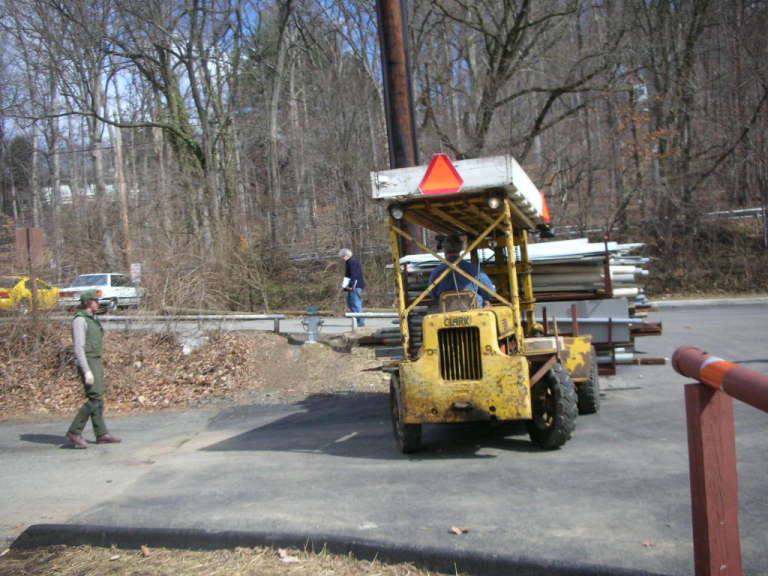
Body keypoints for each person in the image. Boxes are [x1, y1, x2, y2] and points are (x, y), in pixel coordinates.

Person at [65, 290, 121, 448]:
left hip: (95, 360)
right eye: (95, 300)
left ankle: (101, 434)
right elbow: (79, 348)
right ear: (88, 302)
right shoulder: (79, 320)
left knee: (98, 398)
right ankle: (74, 431)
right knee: (94, 398)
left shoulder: (92, 318)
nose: (98, 303)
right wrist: (86, 370)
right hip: (87, 362)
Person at [429, 235, 495, 307]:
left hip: (447, 311)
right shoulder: (474, 269)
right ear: (460, 248)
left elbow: (433, 295)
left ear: (444, 250)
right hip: (474, 311)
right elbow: (489, 292)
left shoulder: (436, 272)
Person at [339, 248, 366, 327]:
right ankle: (357, 319)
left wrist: (351, 286)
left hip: (356, 285)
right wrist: (344, 286)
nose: (341, 258)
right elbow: (347, 275)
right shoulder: (348, 262)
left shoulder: (352, 261)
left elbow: (354, 275)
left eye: (342, 256)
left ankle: (360, 321)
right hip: (353, 285)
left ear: (346, 255)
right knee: (350, 303)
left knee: (355, 303)